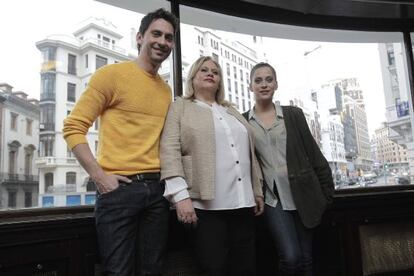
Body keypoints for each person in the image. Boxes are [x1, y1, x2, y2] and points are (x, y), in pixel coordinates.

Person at [63, 8, 178, 276]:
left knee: (153, 271)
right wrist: (99, 177)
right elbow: (73, 127)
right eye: (156, 34)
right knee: (118, 272)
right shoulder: (111, 75)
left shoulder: (165, 90)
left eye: (169, 38)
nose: (162, 42)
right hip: (119, 192)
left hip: (157, 191)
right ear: (139, 37)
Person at [160, 56, 264, 276]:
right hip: (205, 206)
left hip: (243, 204)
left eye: (215, 72)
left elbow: (249, 153)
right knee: (213, 268)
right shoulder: (180, 107)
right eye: (204, 70)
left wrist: (257, 191)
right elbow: (169, 150)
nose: (210, 74)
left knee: (246, 269)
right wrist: (180, 196)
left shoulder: (232, 111)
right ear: (193, 77)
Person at [244, 62, 334, 276]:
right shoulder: (244, 121)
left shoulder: (293, 115)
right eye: (258, 80)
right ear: (251, 86)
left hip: (304, 194)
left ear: (276, 84)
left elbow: (314, 154)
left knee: (306, 258)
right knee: (291, 257)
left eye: (268, 79)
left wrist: (326, 195)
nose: (264, 84)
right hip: (273, 199)